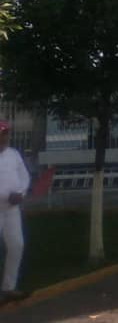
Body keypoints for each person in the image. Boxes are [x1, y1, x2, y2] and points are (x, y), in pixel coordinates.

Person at [0, 120, 29, 303]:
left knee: (16, 245)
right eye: (2, 134)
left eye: (6, 133)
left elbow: (25, 177)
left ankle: (8, 287)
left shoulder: (14, 155)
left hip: (12, 209)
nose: (4, 137)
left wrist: (21, 194)